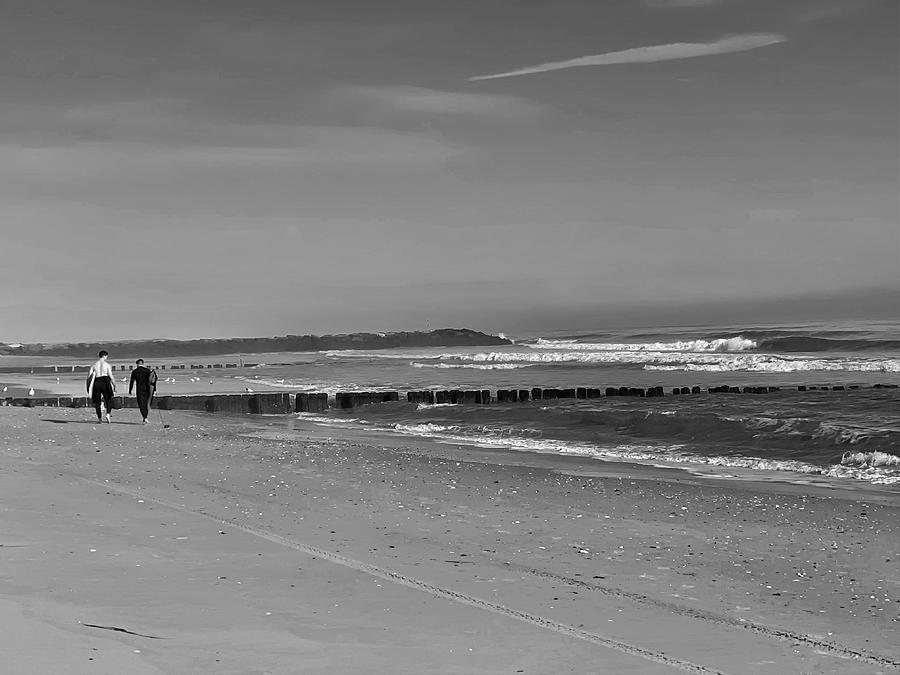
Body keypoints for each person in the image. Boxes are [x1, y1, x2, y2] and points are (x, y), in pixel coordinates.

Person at [86, 350, 116, 423]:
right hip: (105, 381)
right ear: (105, 356)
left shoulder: (94, 365)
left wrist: (88, 387)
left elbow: (89, 377)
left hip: (97, 381)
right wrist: (114, 385)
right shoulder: (107, 365)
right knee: (108, 399)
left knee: (97, 402)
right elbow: (111, 376)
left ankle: (99, 419)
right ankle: (108, 414)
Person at [129, 358, 156, 424]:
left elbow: (131, 381)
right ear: (142, 363)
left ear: (137, 364)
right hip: (147, 389)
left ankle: (145, 417)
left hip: (139, 390)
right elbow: (152, 381)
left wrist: (130, 390)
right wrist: (154, 390)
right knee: (146, 403)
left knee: (141, 404)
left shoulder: (135, 371)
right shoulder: (147, 371)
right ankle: (145, 417)